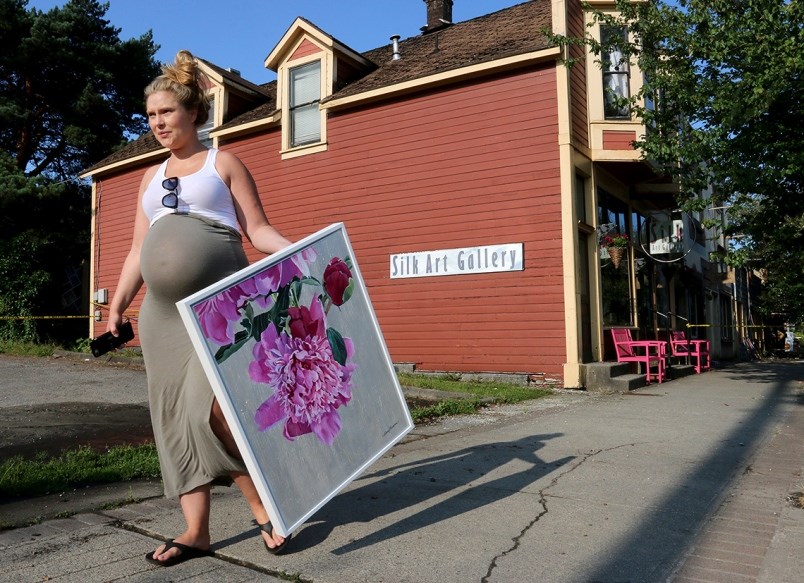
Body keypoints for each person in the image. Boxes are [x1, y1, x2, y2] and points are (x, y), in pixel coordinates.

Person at [105, 50, 293, 566]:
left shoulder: (222, 163)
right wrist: (116, 308)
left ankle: (265, 504)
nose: (158, 123)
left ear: (192, 112)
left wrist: (300, 248)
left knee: (208, 410)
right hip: (161, 317)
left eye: (166, 112)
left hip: (217, 307)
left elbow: (257, 231)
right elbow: (137, 252)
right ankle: (196, 531)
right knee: (171, 418)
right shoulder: (149, 178)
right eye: (150, 116)